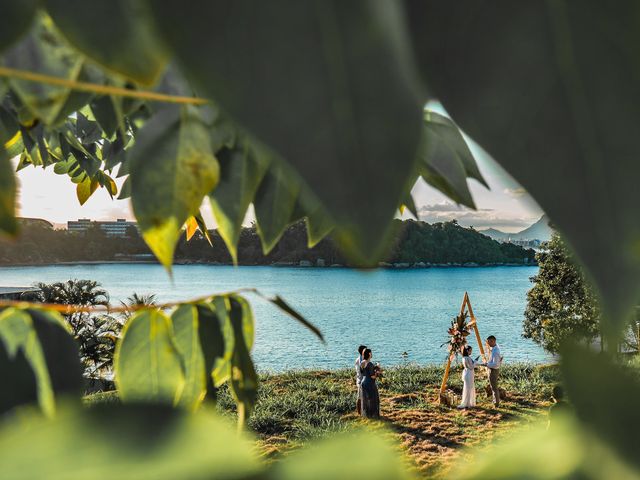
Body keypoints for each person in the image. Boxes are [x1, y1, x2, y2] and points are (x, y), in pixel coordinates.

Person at [480, 335, 503, 407]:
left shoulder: (495, 351)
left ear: (493, 341)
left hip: (493, 371)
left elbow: (495, 364)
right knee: (493, 387)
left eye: (489, 342)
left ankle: (496, 403)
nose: (488, 343)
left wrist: (486, 365)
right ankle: (495, 401)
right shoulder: (495, 348)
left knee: (494, 387)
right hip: (494, 370)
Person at [360, 348, 381, 418]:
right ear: (369, 354)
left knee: (365, 399)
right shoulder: (370, 364)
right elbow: (373, 377)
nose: (372, 354)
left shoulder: (362, 362)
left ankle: (366, 415)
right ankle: (373, 415)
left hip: (363, 382)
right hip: (370, 383)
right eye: (371, 353)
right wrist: (378, 371)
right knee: (373, 399)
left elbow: (363, 372)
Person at [355, 345, 367, 415]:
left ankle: (362, 412)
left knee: (361, 397)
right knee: (359, 397)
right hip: (361, 381)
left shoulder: (360, 359)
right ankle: (359, 413)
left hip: (360, 380)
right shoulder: (361, 361)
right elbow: (362, 371)